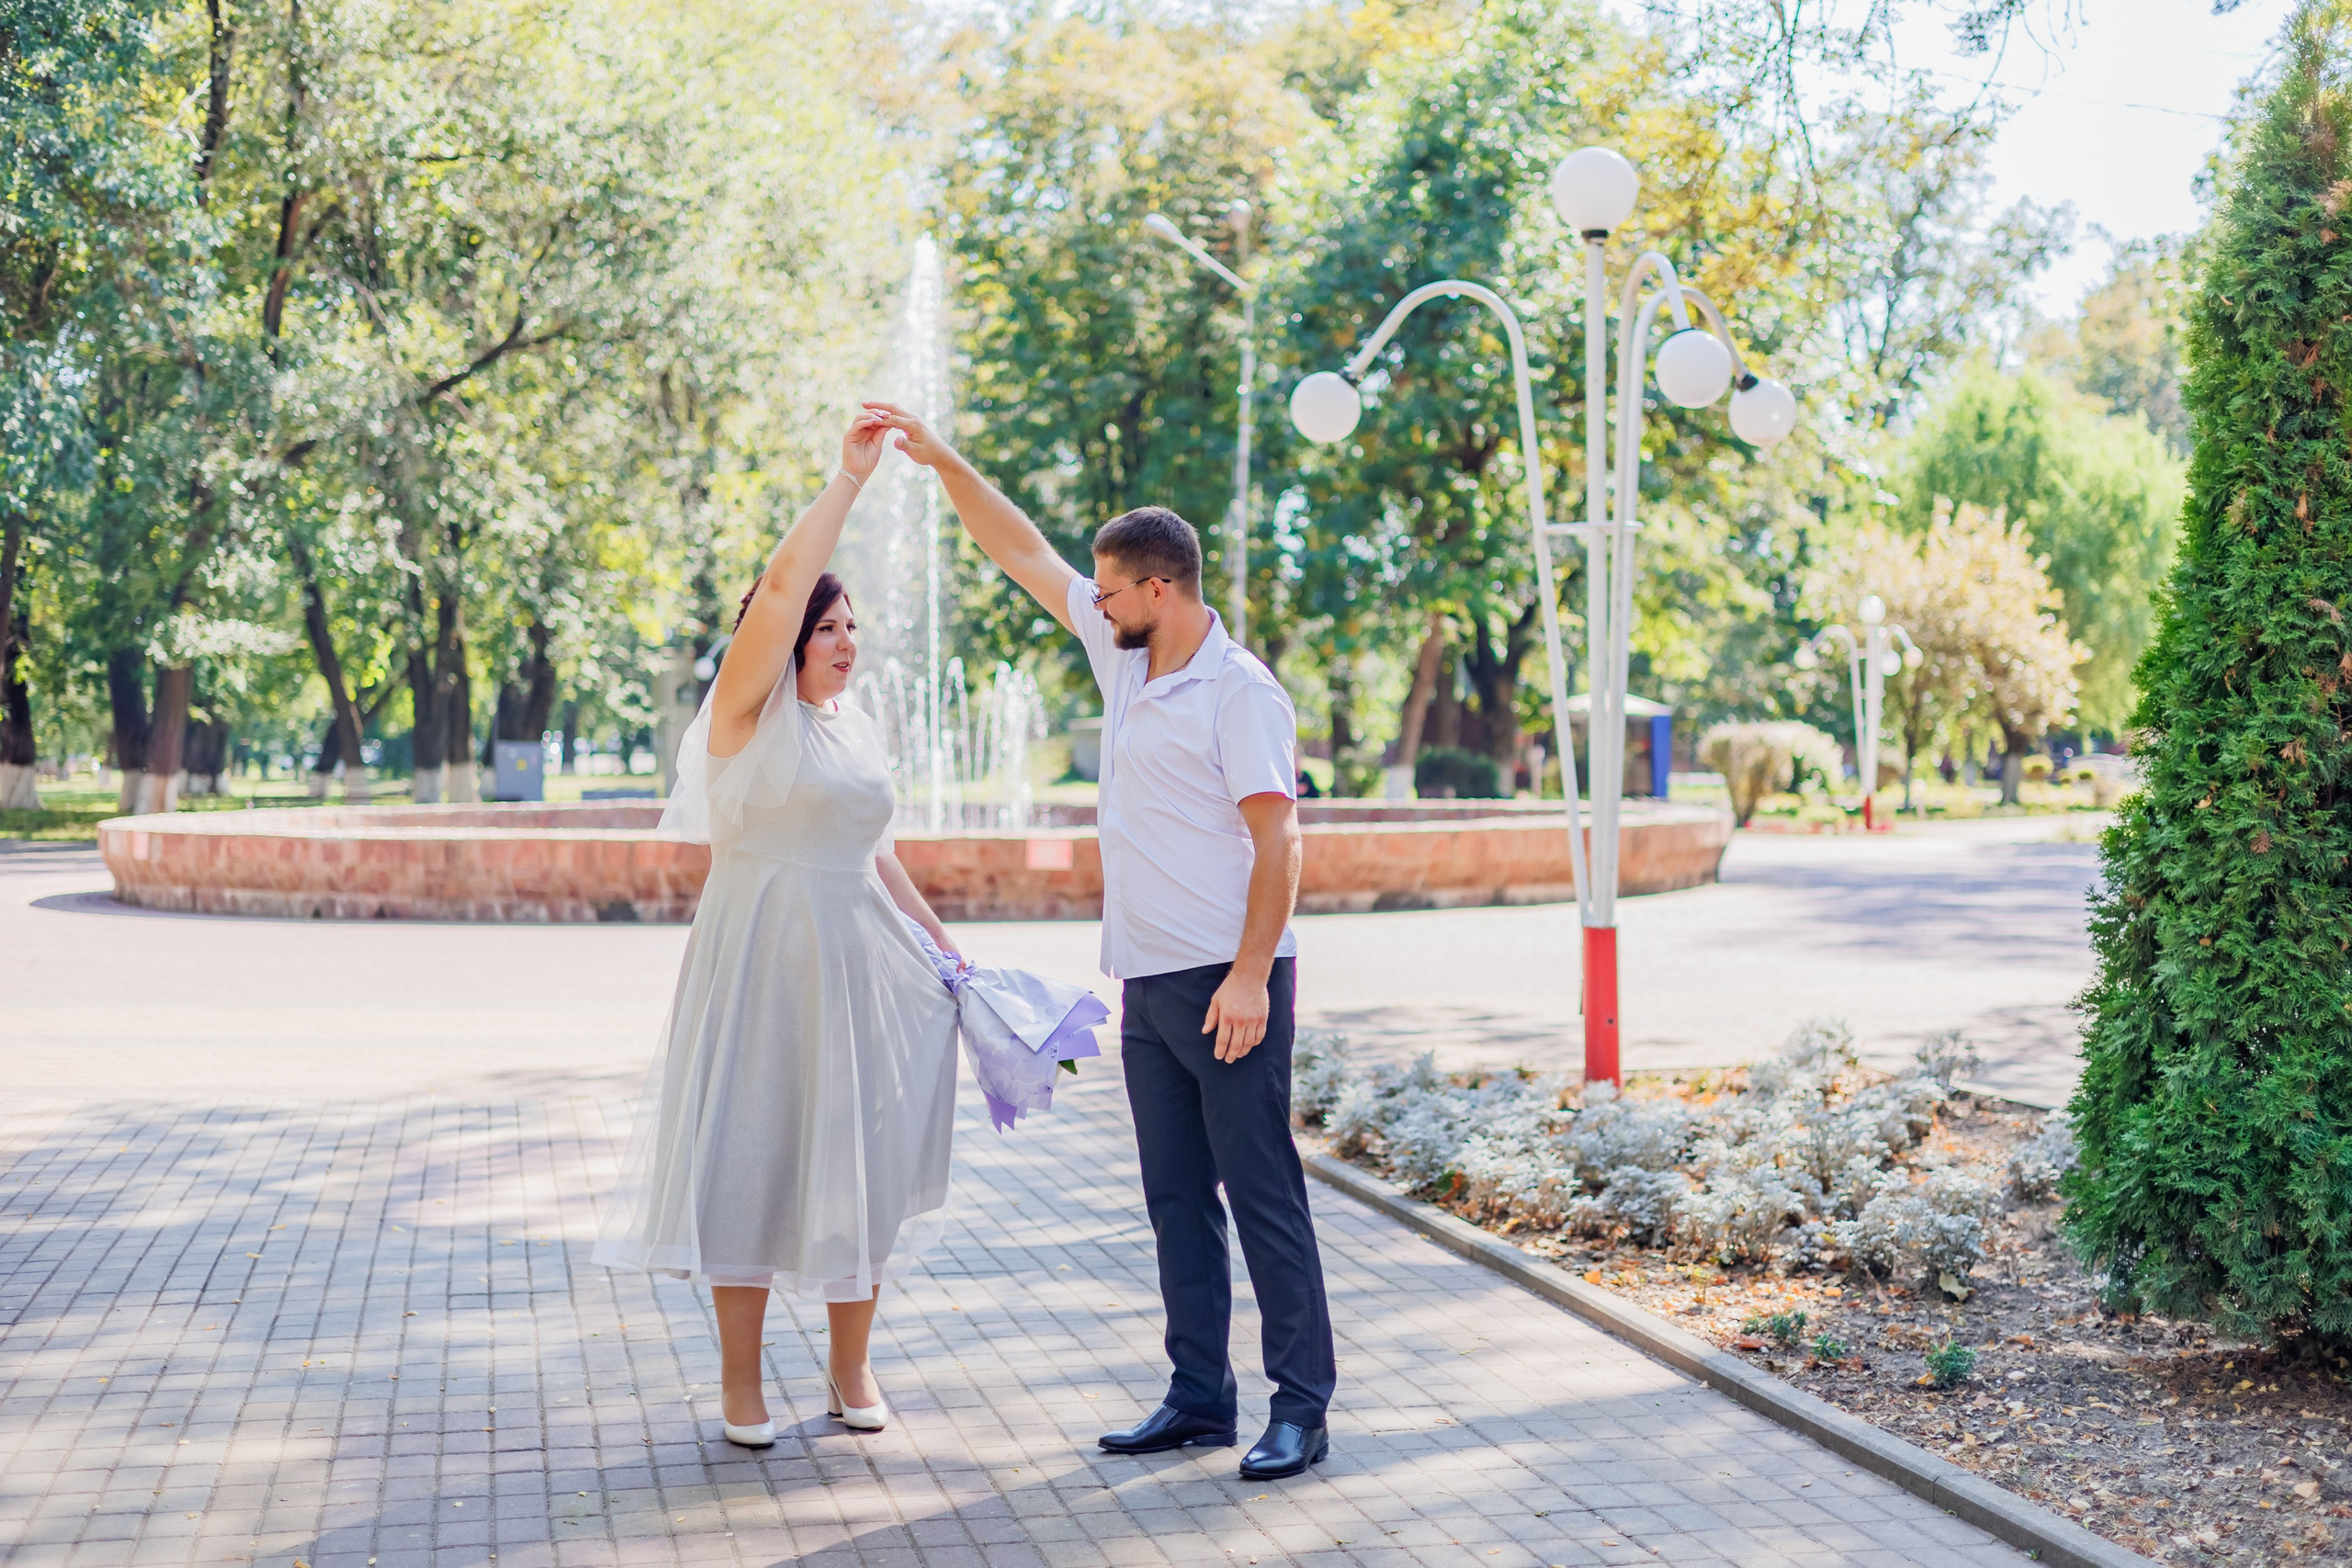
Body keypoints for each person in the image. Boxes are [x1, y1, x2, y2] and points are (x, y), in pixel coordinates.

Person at [865, 400, 1338, 1481]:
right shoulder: (1126, 658)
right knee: (1176, 1201)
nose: (1096, 599)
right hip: (1148, 983)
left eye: (1111, 586)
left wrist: (1254, 977)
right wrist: (943, 461)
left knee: (1262, 1195)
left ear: (1157, 591)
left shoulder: (1239, 691)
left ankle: (1300, 1407)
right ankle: (1198, 1397)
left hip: (1231, 985)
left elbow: (1282, 845)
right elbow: (1019, 548)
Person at [592, 411, 964, 1447]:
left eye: (855, 630)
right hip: (759, 962)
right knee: (749, 1159)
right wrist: (845, 482)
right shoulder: (743, 723)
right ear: (787, 637)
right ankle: (741, 1382)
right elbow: (784, 585)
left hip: (861, 968)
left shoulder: (858, 726)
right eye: (828, 627)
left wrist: (944, 950)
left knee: (863, 1160)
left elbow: (877, 849)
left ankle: (851, 1371)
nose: (846, 642)